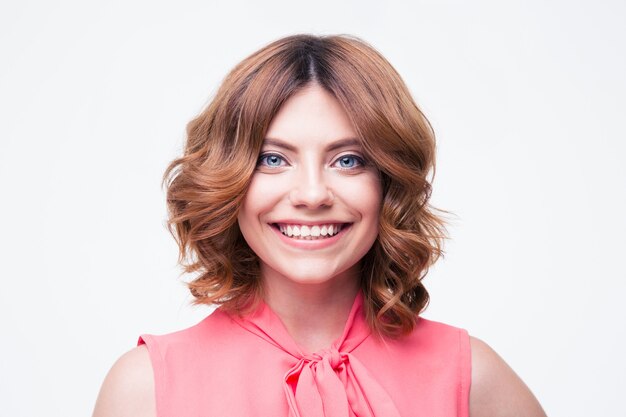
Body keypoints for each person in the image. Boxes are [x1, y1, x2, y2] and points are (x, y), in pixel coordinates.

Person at [92, 34, 547, 417]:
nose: (312, 194)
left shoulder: (474, 381)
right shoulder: (144, 390)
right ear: (228, 181)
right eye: (273, 159)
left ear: (388, 183)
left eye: (348, 160)